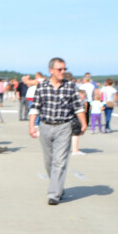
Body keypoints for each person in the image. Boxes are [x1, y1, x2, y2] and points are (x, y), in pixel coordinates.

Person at [28, 58, 86, 205]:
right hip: (46, 126)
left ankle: (54, 194)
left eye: (64, 69)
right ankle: (58, 186)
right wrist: (31, 126)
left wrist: (84, 123)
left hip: (64, 126)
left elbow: (78, 107)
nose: (63, 72)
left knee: (59, 161)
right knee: (49, 162)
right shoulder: (42, 87)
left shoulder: (71, 87)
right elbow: (35, 107)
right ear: (51, 71)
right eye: (60, 69)